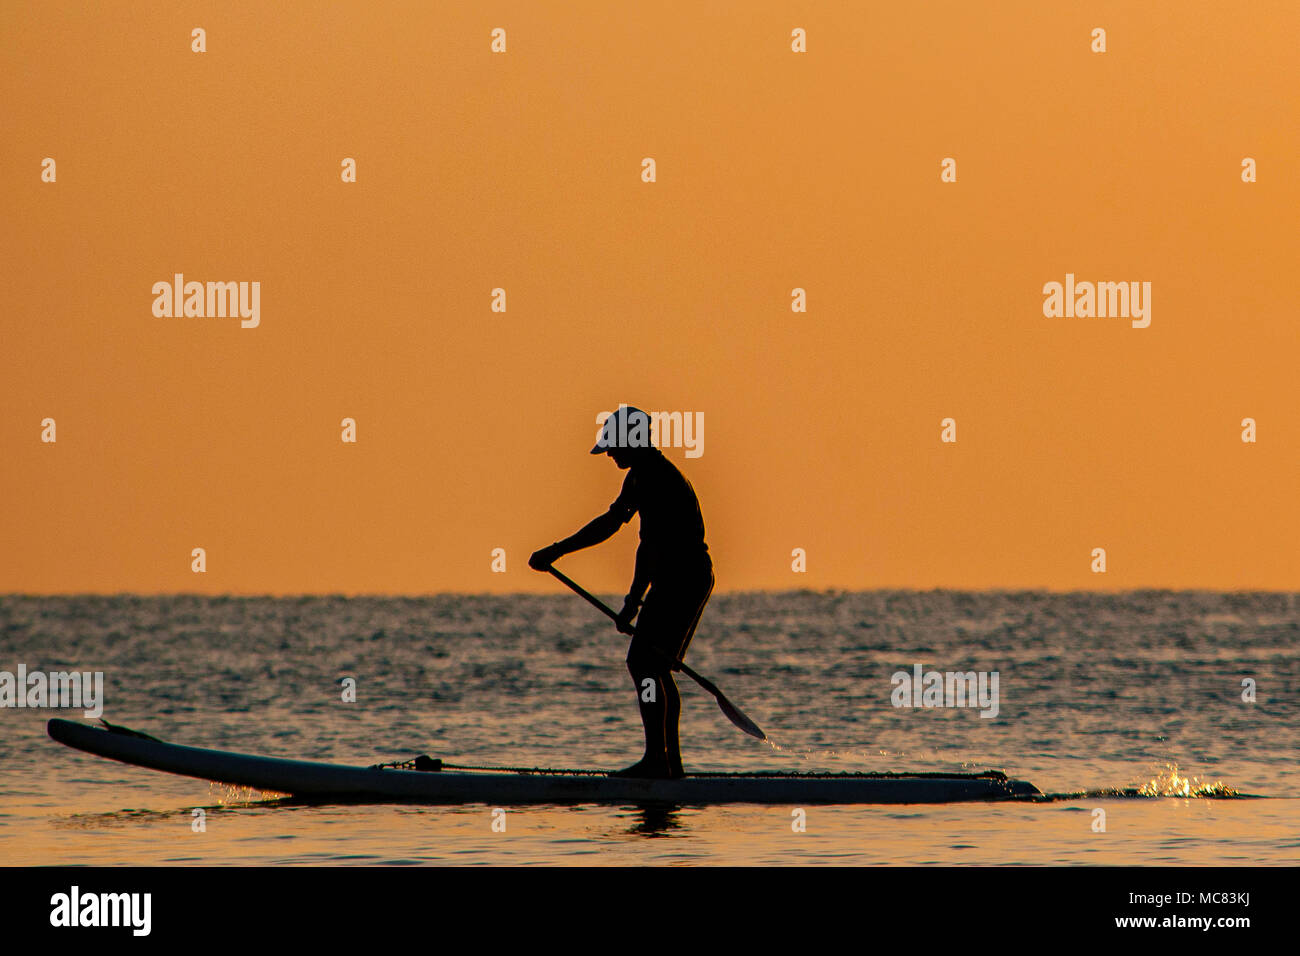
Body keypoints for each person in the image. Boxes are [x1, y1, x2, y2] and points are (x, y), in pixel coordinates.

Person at [529, 405, 714, 779]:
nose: (610, 454)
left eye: (613, 446)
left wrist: (631, 599)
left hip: (683, 578)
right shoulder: (643, 475)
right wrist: (632, 599)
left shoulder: (653, 477)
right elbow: (615, 524)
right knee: (655, 666)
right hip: (682, 577)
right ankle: (669, 764)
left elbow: (648, 546)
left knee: (645, 665)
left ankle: (658, 762)